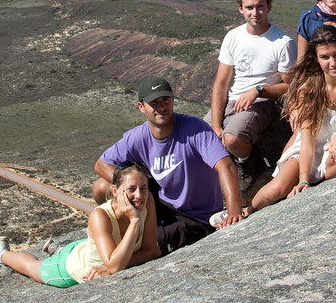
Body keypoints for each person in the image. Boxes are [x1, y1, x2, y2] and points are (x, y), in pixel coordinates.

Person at [93, 76, 243, 255]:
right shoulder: (139, 136)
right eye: (154, 103)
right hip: (162, 204)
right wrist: (130, 186)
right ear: (141, 107)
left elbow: (225, 166)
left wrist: (234, 212)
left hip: (195, 217)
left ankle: (109, 261)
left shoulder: (196, 129)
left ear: (173, 101)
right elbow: (101, 164)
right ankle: (111, 238)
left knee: (144, 247)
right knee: (101, 186)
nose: (161, 107)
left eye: (165, 100)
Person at [246, 26, 336, 214]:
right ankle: (245, 212)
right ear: (316, 59)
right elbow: (307, 141)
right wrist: (303, 179)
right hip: (309, 152)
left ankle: (323, 191)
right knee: (276, 189)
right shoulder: (308, 88)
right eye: (325, 57)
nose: (333, 62)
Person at [0, 161, 160, 288]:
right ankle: (2, 254)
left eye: (143, 188)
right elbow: (116, 264)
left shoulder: (148, 201)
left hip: (86, 248)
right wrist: (134, 220)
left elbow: (150, 250)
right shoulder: (101, 216)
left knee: (87, 248)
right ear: (115, 191)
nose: (139, 195)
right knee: (33, 269)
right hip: (77, 266)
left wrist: (110, 269)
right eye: (131, 189)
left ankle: (57, 250)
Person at [207, 0, 297, 188]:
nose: (255, 12)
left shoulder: (282, 42)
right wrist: (215, 123)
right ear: (241, 9)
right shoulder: (233, 37)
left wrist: (258, 91)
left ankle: (247, 160)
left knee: (231, 139)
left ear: (268, 6)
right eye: (249, 7)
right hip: (233, 99)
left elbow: (290, 86)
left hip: (263, 102)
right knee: (201, 136)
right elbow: (221, 83)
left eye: (260, 6)